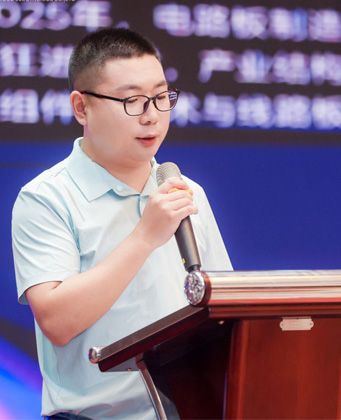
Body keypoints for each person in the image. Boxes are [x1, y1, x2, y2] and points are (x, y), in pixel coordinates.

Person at [11, 28, 232, 419]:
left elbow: (224, 309)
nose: (151, 116)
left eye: (161, 97)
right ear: (82, 107)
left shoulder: (186, 192)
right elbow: (57, 322)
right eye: (132, 100)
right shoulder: (46, 198)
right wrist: (145, 236)